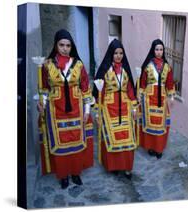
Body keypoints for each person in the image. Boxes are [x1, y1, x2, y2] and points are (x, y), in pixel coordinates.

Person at [37, 29, 94, 189]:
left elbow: (85, 88)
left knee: (75, 142)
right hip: (56, 111)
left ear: (71, 46)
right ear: (55, 45)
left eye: (68, 45)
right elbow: (44, 89)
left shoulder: (78, 64)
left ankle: (75, 172)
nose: (65, 48)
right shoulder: (47, 65)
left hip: (76, 109)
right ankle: (63, 175)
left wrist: (87, 111)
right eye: (61, 45)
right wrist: (42, 103)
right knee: (60, 144)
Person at [92, 39, 138, 179]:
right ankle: (114, 166)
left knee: (128, 138)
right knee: (111, 138)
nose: (118, 56)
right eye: (116, 53)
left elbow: (130, 89)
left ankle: (128, 167)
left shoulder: (125, 70)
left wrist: (134, 108)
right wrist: (97, 112)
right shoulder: (105, 70)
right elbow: (100, 91)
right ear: (111, 54)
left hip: (125, 106)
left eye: (121, 53)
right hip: (109, 107)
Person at [139, 39, 175, 159]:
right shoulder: (148, 66)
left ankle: (159, 149)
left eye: (161, 49)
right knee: (150, 123)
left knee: (161, 124)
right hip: (148, 98)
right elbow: (143, 82)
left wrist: (171, 96)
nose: (159, 52)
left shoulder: (167, 67)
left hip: (162, 97)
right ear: (153, 50)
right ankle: (151, 147)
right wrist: (140, 95)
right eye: (157, 49)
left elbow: (170, 83)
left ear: (163, 51)